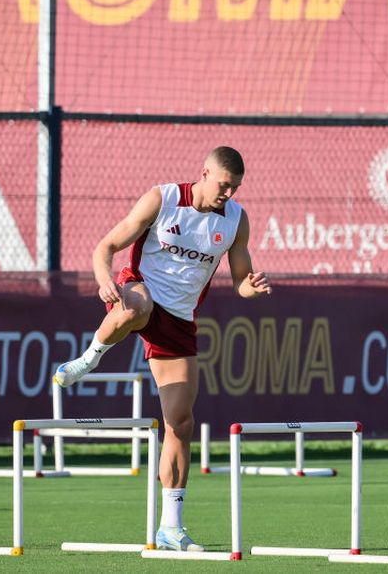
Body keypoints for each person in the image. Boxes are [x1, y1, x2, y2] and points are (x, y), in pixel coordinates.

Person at [54, 146, 272, 552]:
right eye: (224, 185)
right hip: (139, 289)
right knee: (135, 308)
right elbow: (106, 247)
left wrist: (251, 288)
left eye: (236, 188)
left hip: (179, 319)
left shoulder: (235, 220)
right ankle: (88, 359)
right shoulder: (164, 198)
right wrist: (104, 280)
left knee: (180, 424)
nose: (228, 194)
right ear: (204, 173)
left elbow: (241, 279)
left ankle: (170, 527)